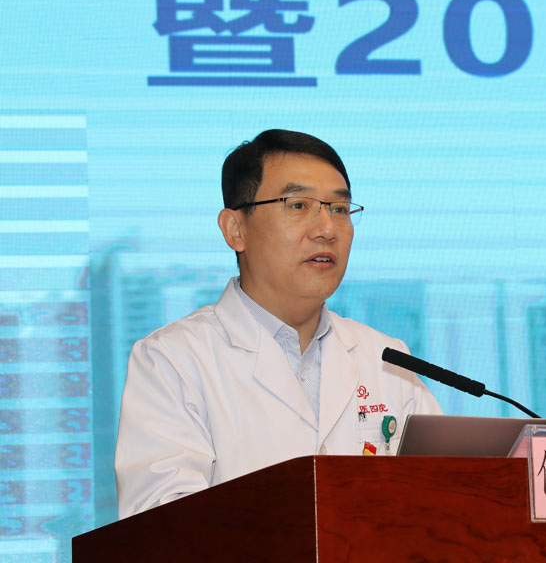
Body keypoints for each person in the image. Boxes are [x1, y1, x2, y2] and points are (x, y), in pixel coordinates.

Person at [114, 129, 442, 518]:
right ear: (235, 229)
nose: (327, 229)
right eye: (298, 205)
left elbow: (447, 500)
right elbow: (163, 527)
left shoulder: (386, 357)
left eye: (339, 209)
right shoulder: (173, 360)